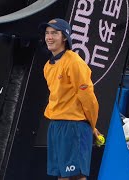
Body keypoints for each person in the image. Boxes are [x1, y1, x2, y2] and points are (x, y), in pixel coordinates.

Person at [39, 18, 101, 180]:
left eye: (54, 33)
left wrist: (91, 125)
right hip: (56, 126)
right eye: (47, 33)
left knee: (77, 176)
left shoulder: (74, 62)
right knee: (61, 175)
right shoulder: (48, 66)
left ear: (65, 37)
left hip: (74, 127)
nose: (49, 37)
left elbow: (88, 97)